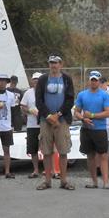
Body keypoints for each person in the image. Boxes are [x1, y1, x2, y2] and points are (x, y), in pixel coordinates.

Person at [35, 55, 76, 191]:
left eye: (56, 63)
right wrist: (48, 116)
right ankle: (47, 181)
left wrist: (57, 115)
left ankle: (63, 181)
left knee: (63, 151)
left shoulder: (66, 79)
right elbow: (38, 100)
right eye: (51, 63)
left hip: (62, 120)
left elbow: (70, 99)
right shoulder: (42, 79)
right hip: (45, 120)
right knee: (46, 152)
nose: (53, 65)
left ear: (61, 64)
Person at [75, 70, 109, 189]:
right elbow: (76, 111)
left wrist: (91, 116)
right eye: (92, 80)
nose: (93, 82)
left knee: (103, 156)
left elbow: (108, 112)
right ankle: (94, 182)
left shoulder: (104, 95)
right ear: (89, 80)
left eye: (96, 80)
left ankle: (106, 182)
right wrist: (83, 118)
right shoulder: (82, 94)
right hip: (86, 129)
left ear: (99, 81)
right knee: (90, 156)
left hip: (100, 129)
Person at [20, 72, 43, 178]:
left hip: (44, 124)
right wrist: (29, 110)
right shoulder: (28, 93)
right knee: (32, 149)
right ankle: (36, 170)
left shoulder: (46, 92)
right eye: (34, 79)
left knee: (46, 148)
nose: (36, 81)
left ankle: (49, 170)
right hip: (32, 125)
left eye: (38, 79)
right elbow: (22, 106)